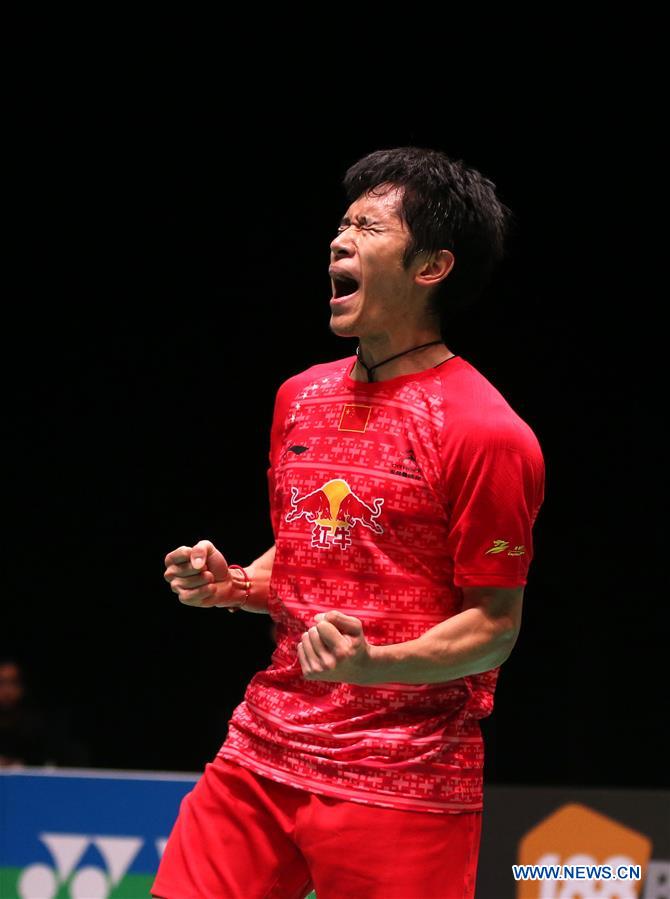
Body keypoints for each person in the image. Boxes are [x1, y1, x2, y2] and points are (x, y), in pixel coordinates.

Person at [151, 146, 545, 899]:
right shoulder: (298, 397)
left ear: (431, 267)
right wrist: (231, 582)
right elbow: (318, 554)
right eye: (341, 224)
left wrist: (376, 665)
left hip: (402, 776)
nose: (339, 241)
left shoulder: (484, 431)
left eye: (367, 227)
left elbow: (494, 625)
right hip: (262, 753)